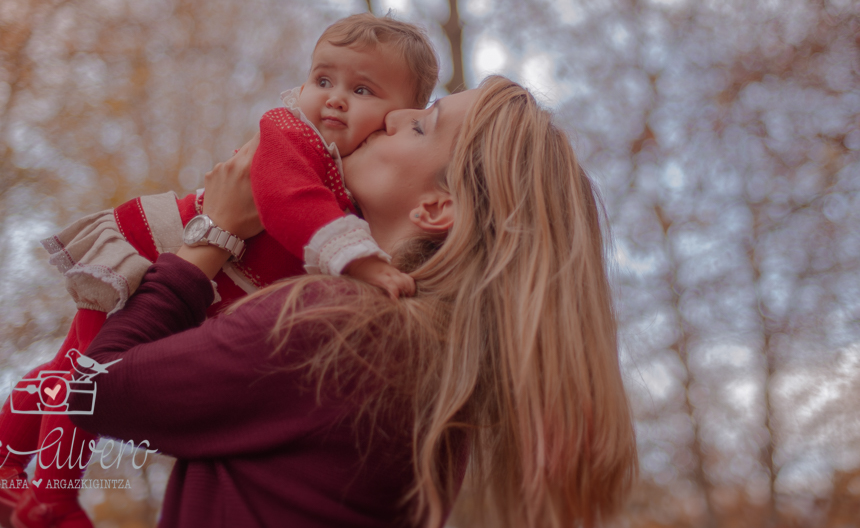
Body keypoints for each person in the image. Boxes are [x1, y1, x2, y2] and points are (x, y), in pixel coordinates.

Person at [66, 77, 638, 527]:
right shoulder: (431, 358)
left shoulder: (343, 328)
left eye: (422, 126)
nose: (393, 116)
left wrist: (213, 232)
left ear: (438, 209)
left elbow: (93, 389)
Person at [0, 13, 439, 528]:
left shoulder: (356, 178)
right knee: (83, 373)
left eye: (362, 89)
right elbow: (290, 203)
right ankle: (52, 497)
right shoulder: (292, 135)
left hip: (192, 270)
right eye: (323, 80)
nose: (335, 98)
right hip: (156, 246)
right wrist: (359, 260)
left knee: (69, 359)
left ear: (400, 116)